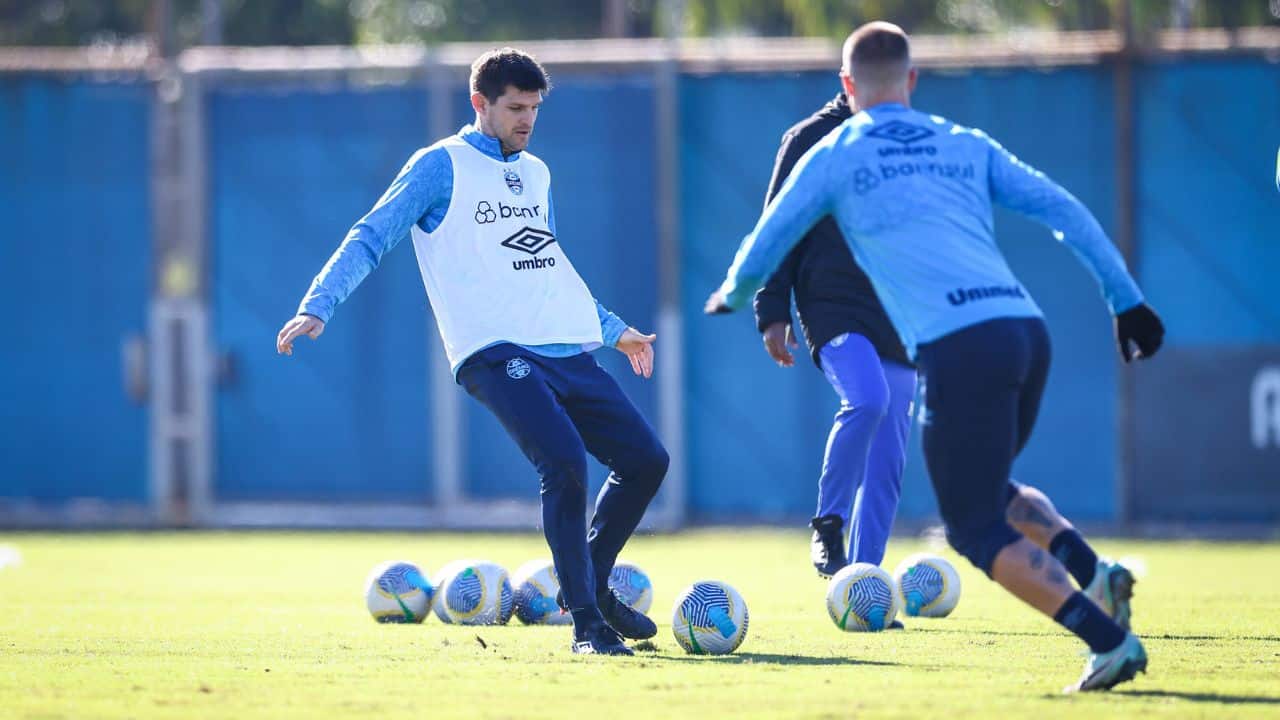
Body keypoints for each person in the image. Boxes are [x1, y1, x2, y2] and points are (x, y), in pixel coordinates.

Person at [706, 22, 1165, 692]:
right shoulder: (962, 143)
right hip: (1024, 331)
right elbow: (1063, 208)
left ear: (847, 87)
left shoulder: (837, 150)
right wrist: (1127, 301)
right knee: (993, 489)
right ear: (913, 82)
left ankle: (1109, 641)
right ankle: (1093, 571)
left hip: (960, 347)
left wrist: (735, 294)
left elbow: (767, 238)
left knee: (972, 529)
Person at [276, 47, 668, 656]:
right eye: (515, 107)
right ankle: (589, 623)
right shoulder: (441, 165)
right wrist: (318, 303)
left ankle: (586, 579)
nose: (527, 120)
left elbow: (546, 266)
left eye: (535, 108)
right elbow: (372, 234)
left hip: (562, 347)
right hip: (492, 350)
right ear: (479, 102)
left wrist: (614, 329)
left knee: (647, 460)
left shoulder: (536, 173)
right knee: (563, 461)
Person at [753, 92, 916, 579]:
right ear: (848, 80)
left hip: (897, 309)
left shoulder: (910, 141)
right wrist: (772, 307)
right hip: (833, 305)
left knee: (892, 435)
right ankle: (828, 526)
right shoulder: (809, 138)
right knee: (868, 399)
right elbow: (777, 226)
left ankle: (863, 579)